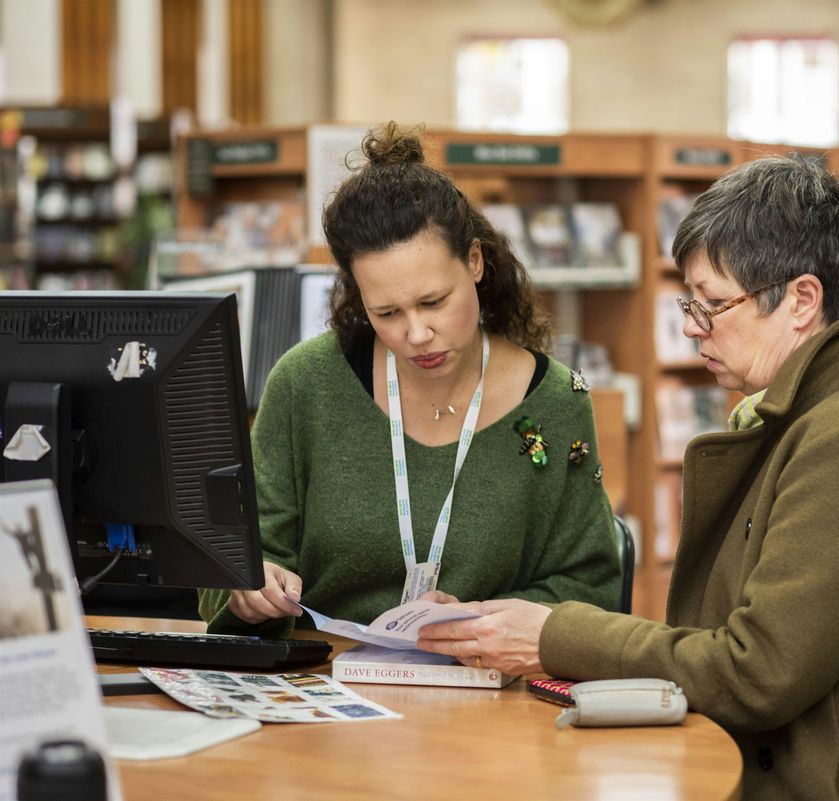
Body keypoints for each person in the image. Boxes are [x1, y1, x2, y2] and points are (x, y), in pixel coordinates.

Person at [417, 155, 839, 801]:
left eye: (711, 304)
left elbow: (757, 670)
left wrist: (553, 636)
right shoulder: (799, 413)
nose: (689, 325)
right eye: (689, 303)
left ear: (801, 301)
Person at [199, 123, 621, 635]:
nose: (417, 334)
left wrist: (480, 619)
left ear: (474, 261)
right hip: (324, 672)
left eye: (434, 302)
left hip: (483, 675)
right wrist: (249, 584)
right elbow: (231, 560)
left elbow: (591, 585)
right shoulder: (305, 384)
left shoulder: (557, 401)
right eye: (387, 312)